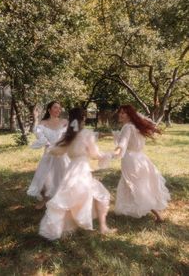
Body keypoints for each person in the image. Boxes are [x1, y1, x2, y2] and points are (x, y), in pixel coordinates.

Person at [39, 107, 112, 240]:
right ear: (84, 118)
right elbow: (94, 154)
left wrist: (49, 148)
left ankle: (99, 226)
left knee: (69, 198)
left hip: (71, 168)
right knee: (100, 195)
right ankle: (102, 227)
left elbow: (57, 151)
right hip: (82, 169)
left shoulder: (68, 134)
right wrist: (106, 155)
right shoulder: (86, 133)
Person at [112, 105, 170, 222]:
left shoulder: (128, 127)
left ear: (129, 115)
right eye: (120, 112)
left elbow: (123, 143)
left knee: (136, 186)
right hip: (141, 158)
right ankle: (130, 209)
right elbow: (125, 138)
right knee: (135, 185)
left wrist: (114, 152)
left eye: (123, 113)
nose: (120, 115)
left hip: (131, 160)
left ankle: (157, 214)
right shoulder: (135, 126)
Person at [27, 101, 69, 209]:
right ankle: (45, 199)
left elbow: (69, 137)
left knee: (62, 176)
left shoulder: (64, 122)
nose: (58, 110)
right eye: (55, 108)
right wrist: (48, 144)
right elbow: (40, 136)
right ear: (49, 110)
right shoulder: (43, 123)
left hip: (61, 154)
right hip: (49, 153)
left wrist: (62, 146)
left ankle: (62, 199)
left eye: (59, 108)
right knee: (44, 178)